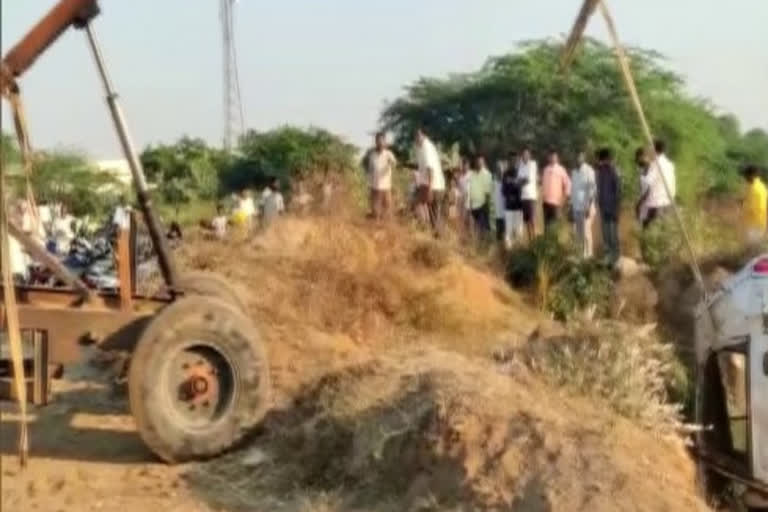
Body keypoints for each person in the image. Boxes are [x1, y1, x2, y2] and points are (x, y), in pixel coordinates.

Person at [415, 128, 446, 236]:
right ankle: (434, 235)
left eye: (418, 135)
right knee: (433, 214)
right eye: (415, 135)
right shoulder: (423, 148)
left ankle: (437, 238)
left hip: (434, 186)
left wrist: (429, 189)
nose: (416, 138)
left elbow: (430, 169)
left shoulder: (426, 147)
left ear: (424, 135)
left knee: (433, 215)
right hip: (432, 185)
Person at [642, 139, 676, 229]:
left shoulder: (655, 164)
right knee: (664, 231)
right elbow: (673, 185)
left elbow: (647, 182)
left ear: (654, 149)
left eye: (650, 149)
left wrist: (645, 168)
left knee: (649, 231)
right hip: (667, 202)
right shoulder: (670, 164)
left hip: (655, 203)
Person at [595, 148, 621, 264]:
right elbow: (599, 190)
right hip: (604, 207)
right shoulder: (600, 172)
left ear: (604, 159)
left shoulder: (614, 171)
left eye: (600, 159)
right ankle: (608, 256)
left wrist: (617, 209)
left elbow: (618, 191)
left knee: (613, 233)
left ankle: (615, 257)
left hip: (612, 207)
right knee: (605, 233)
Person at [570, 152, 597, 258]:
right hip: (576, 207)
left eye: (579, 157)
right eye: (576, 157)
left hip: (586, 207)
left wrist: (588, 206)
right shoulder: (574, 172)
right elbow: (573, 191)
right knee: (577, 234)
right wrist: (571, 207)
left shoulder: (589, 171)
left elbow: (592, 190)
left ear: (584, 158)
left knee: (586, 233)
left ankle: (589, 257)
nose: (577, 159)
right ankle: (579, 256)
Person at [366, 132, 398, 220]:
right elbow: (370, 171)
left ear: (385, 142)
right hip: (375, 187)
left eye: (382, 141)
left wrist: (390, 163)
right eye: (378, 141)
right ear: (376, 142)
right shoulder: (372, 155)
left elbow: (394, 163)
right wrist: (369, 184)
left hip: (386, 187)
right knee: (375, 212)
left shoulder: (388, 154)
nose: (380, 143)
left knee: (387, 212)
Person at [541, 150, 571, 232]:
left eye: (554, 157)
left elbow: (568, 184)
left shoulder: (561, 169)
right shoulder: (545, 170)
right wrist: (543, 197)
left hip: (556, 203)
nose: (552, 158)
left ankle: (555, 244)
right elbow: (543, 184)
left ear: (557, 158)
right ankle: (547, 243)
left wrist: (565, 198)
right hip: (546, 203)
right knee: (546, 227)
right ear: (548, 158)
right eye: (550, 156)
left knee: (555, 227)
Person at [502, 151, 524, 248]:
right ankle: (509, 253)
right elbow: (503, 190)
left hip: (519, 206)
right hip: (509, 206)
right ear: (509, 161)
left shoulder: (521, 173)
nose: (513, 162)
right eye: (511, 160)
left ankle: (519, 251)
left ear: (518, 161)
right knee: (508, 231)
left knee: (519, 231)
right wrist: (508, 196)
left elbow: (523, 187)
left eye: (515, 160)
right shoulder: (505, 174)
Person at [468, 155, 493, 239]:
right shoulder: (472, 175)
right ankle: (478, 246)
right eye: (477, 162)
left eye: (480, 162)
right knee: (476, 229)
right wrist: (470, 205)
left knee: (482, 229)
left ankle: (484, 246)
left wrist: (486, 206)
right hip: (474, 206)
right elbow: (471, 191)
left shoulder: (487, 174)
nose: (478, 163)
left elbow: (488, 193)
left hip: (483, 206)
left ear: (483, 162)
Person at [742, 164, 767, 246]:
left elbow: (759, 208)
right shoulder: (757, 187)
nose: (745, 178)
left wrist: (745, 206)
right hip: (756, 223)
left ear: (752, 175)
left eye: (746, 175)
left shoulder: (756, 189)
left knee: (754, 249)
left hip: (756, 224)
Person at [518, 147, 538, 243]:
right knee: (527, 222)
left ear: (529, 155)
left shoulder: (533, 164)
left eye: (527, 154)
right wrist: (522, 180)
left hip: (531, 197)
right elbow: (519, 181)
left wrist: (522, 180)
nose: (525, 156)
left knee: (532, 221)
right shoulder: (520, 166)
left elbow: (527, 180)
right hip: (523, 197)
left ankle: (535, 242)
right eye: (523, 154)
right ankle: (530, 242)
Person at [634, 147, 651, 226]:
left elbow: (650, 189)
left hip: (650, 202)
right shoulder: (642, 169)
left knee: (647, 225)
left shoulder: (651, 168)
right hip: (644, 203)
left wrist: (640, 202)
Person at [492, 161, 506, 243]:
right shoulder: (494, 182)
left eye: (501, 169)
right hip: (497, 214)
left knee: (505, 235)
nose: (500, 171)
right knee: (498, 236)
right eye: (498, 169)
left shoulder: (505, 182)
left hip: (505, 214)